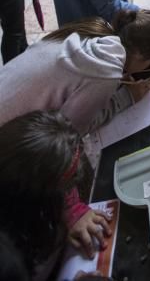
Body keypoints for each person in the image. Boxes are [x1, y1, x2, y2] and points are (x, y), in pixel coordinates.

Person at [0, 8, 150, 134]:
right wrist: (127, 97)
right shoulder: (106, 71)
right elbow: (70, 130)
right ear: (142, 56)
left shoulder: (92, 32)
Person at [0, 111, 112, 281]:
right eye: (66, 190)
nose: (71, 192)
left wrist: (73, 210)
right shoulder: (9, 261)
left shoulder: (14, 169)